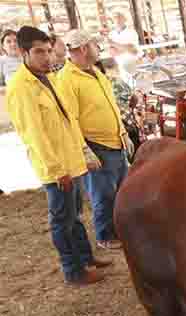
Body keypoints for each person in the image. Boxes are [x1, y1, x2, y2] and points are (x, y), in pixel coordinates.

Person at [7, 26, 109, 286]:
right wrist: (56, 170)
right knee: (62, 220)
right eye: (39, 52)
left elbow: (67, 121)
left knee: (74, 215)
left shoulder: (48, 78)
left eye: (49, 51)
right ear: (23, 52)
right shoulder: (21, 87)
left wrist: (81, 153)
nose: (47, 57)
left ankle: (85, 258)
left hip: (70, 162)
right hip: (56, 169)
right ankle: (73, 270)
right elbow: (34, 135)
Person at [57, 29, 131, 251]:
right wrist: (83, 149)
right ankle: (105, 235)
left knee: (121, 191)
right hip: (96, 145)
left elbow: (110, 105)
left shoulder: (95, 72)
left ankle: (120, 230)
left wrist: (123, 132)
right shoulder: (67, 79)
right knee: (103, 194)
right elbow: (71, 119)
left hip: (114, 141)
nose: (97, 49)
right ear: (82, 48)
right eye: (94, 45)